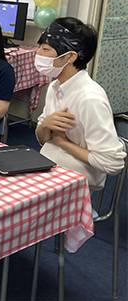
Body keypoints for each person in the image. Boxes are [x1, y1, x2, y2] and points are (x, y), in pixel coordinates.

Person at [34, 18, 126, 190]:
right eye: (39, 47)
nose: (37, 53)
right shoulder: (55, 86)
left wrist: (63, 142)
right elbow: (42, 139)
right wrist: (45, 125)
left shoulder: (90, 99)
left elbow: (112, 163)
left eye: (45, 49)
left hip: (73, 183)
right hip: (47, 167)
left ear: (70, 56)